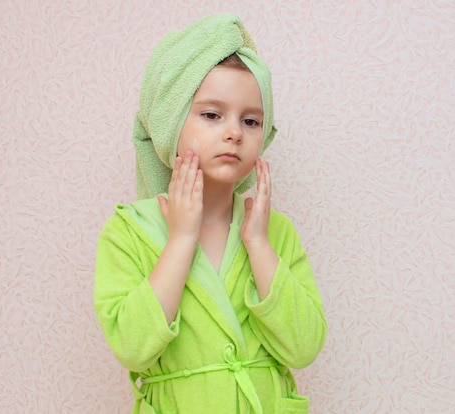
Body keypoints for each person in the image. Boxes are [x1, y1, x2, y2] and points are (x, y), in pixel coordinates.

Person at [94, 13, 327, 414]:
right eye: (211, 115)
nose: (234, 132)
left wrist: (257, 244)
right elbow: (133, 348)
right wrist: (182, 239)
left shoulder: (275, 231)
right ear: (170, 123)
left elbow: (304, 347)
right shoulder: (129, 231)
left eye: (250, 120)